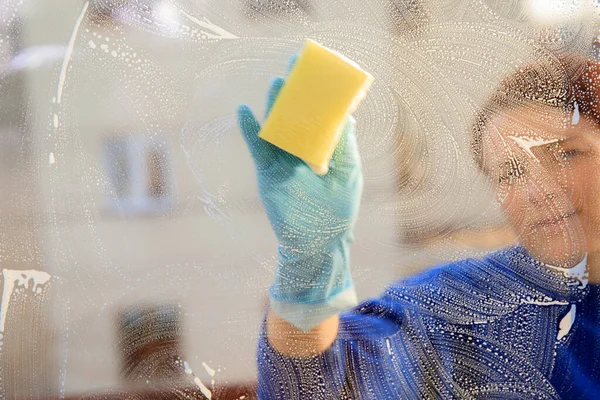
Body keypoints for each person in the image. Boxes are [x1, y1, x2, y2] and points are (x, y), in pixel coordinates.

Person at [237, 53, 600, 399]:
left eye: (567, 153)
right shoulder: (468, 309)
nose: (536, 191)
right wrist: (310, 265)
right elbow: (320, 383)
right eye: (510, 173)